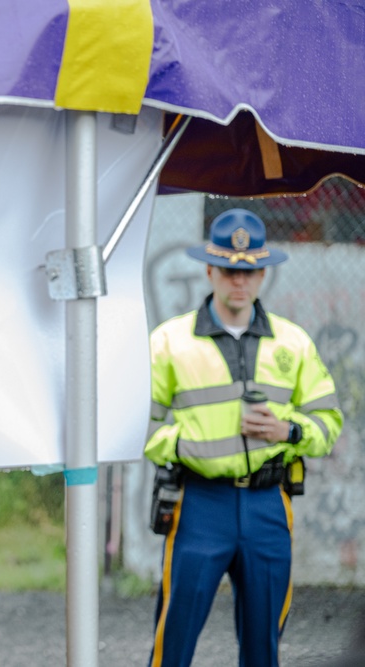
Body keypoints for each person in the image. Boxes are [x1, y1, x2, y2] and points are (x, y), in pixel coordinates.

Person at [144, 208, 344, 667]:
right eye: (232, 271)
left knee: (263, 646)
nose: (241, 282)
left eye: (250, 271)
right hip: (198, 504)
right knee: (173, 641)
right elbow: (142, 424)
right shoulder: (170, 342)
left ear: (262, 274)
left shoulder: (293, 343)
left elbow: (328, 423)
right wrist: (184, 446)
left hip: (268, 506)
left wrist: (288, 430)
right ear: (210, 270)